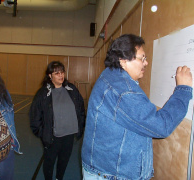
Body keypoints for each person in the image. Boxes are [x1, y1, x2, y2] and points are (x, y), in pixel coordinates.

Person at [81, 34, 193, 180]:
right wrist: (183, 89)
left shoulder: (111, 76)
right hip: (111, 174)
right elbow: (161, 126)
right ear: (123, 61)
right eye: (142, 58)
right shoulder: (123, 91)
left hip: (103, 168)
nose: (146, 63)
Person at [29, 61, 85, 180]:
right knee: (49, 162)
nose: (61, 75)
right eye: (57, 73)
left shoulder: (71, 89)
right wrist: (43, 133)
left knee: (64, 160)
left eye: (62, 72)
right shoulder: (43, 93)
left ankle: (59, 178)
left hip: (69, 135)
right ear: (50, 76)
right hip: (53, 137)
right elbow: (35, 116)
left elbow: (80, 108)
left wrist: (81, 125)